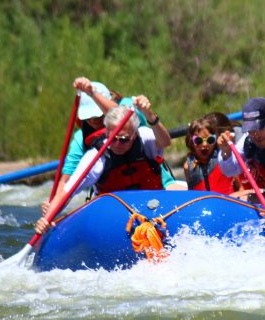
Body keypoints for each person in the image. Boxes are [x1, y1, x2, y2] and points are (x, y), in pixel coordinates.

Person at [36, 99, 170, 234]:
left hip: (154, 205)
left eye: (123, 139)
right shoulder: (96, 158)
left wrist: (150, 116)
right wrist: (47, 219)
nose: (117, 144)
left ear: (134, 135)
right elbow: (68, 191)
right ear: (107, 133)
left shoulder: (144, 137)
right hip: (114, 217)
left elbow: (165, 141)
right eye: (113, 139)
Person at [183, 112, 241, 194]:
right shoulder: (187, 167)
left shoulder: (224, 158)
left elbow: (241, 187)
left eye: (210, 140)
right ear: (191, 142)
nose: (205, 145)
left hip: (229, 204)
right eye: (198, 141)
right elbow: (191, 194)